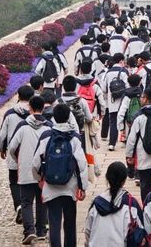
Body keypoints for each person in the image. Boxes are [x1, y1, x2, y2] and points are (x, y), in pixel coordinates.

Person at [31, 103, 89, 247]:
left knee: (54, 222)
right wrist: (82, 187)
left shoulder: (46, 136)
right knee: (70, 223)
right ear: (69, 117)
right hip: (70, 187)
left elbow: (35, 163)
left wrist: (40, 179)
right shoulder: (74, 138)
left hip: (51, 187)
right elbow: (82, 165)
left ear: (54, 117)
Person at [8, 96, 51, 244]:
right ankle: (41, 231)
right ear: (43, 108)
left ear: (30, 108)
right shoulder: (49, 127)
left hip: (25, 169)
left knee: (26, 202)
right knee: (41, 201)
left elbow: (12, 148)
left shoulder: (23, 126)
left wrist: (18, 160)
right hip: (42, 171)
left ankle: (29, 231)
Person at [83, 162, 145, 246]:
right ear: (124, 180)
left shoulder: (96, 203)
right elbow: (141, 231)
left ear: (107, 178)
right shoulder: (131, 204)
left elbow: (88, 231)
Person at [0, 84, 32, 223]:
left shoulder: (10, 114)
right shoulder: (35, 112)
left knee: (14, 181)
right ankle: (29, 207)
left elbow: (2, 135)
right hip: (31, 153)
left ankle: (19, 207)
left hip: (14, 153)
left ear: (18, 96)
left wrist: (1, 149)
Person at [101, 53, 129, 150]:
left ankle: (112, 144)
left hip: (112, 102)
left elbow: (104, 89)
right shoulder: (124, 71)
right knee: (125, 121)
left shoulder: (108, 72)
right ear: (121, 60)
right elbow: (128, 86)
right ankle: (125, 141)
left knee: (113, 122)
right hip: (123, 101)